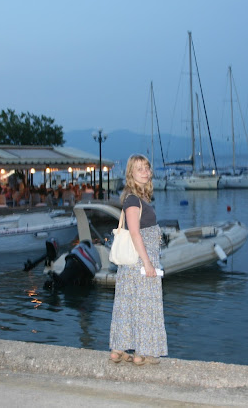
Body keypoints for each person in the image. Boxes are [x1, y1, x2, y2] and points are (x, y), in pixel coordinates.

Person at [109, 154, 167, 366]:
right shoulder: (132, 199)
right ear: (131, 173)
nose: (145, 172)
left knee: (129, 305)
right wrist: (148, 263)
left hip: (136, 263)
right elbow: (135, 233)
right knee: (144, 306)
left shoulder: (139, 198)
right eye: (139, 168)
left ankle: (118, 349)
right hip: (140, 262)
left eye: (147, 168)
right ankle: (141, 353)